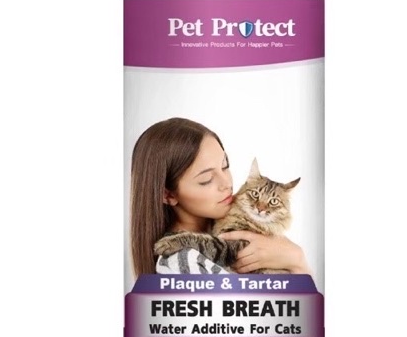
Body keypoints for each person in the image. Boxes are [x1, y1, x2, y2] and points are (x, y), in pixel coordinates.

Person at [129, 117, 311, 277]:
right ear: (168, 194)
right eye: (206, 179)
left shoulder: (221, 224)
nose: (227, 183)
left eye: (225, 166)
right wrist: (296, 260)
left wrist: (297, 259)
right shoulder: (183, 263)